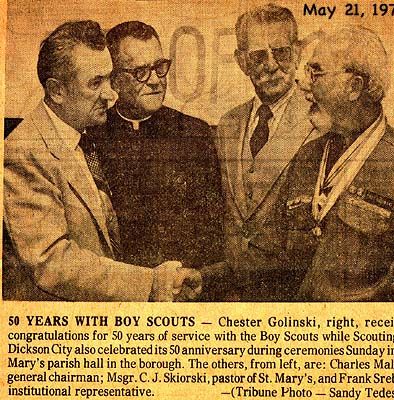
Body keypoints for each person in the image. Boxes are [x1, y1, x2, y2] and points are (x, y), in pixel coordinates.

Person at [3, 20, 201, 302]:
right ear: (57, 91)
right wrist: (150, 282)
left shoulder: (78, 135)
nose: (110, 94)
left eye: (109, 79)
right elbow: (52, 264)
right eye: (95, 83)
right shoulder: (25, 152)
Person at [280, 26, 394, 301]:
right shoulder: (306, 157)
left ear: (354, 87)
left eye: (316, 73)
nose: (304, 85)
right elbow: (273, 253)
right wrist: (206, 276)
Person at [93, 21, 225, 300]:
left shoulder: (195, 134)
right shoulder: (94, 138)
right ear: (115, 80)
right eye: (140, 72)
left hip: (186, 291)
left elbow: (214, 229)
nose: (155, 80)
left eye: (159, 66)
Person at [216, 4, 316, 301]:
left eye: (281, 52)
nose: (270, 65)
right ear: (241, 62)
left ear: (297, 54)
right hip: (230, 293)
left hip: (290, 295)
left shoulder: (320, 123)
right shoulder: (228, 124)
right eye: (258, 56)